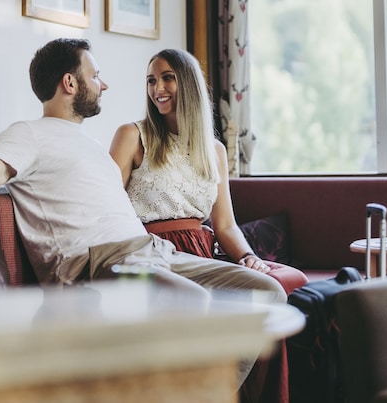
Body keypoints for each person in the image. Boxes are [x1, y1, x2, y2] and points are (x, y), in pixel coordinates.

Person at [0, 38, 285, 305]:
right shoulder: (30, 134)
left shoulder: (91, 145)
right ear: (70, 83)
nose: (104, 84)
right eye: (95, 76)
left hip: (152, 253)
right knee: (193, 304)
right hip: (97, 264)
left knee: (266, 293)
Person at [109, 48, 306, 403]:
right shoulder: (132, 135)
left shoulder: (213, 150)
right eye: (151, 80)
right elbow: (106, 206)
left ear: (188, 84)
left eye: (167, 78)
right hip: (150, 253)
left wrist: (248, 256)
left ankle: (215, 391)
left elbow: (225, 224)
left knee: (269, 294)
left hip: (203, 256)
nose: (158, 89)